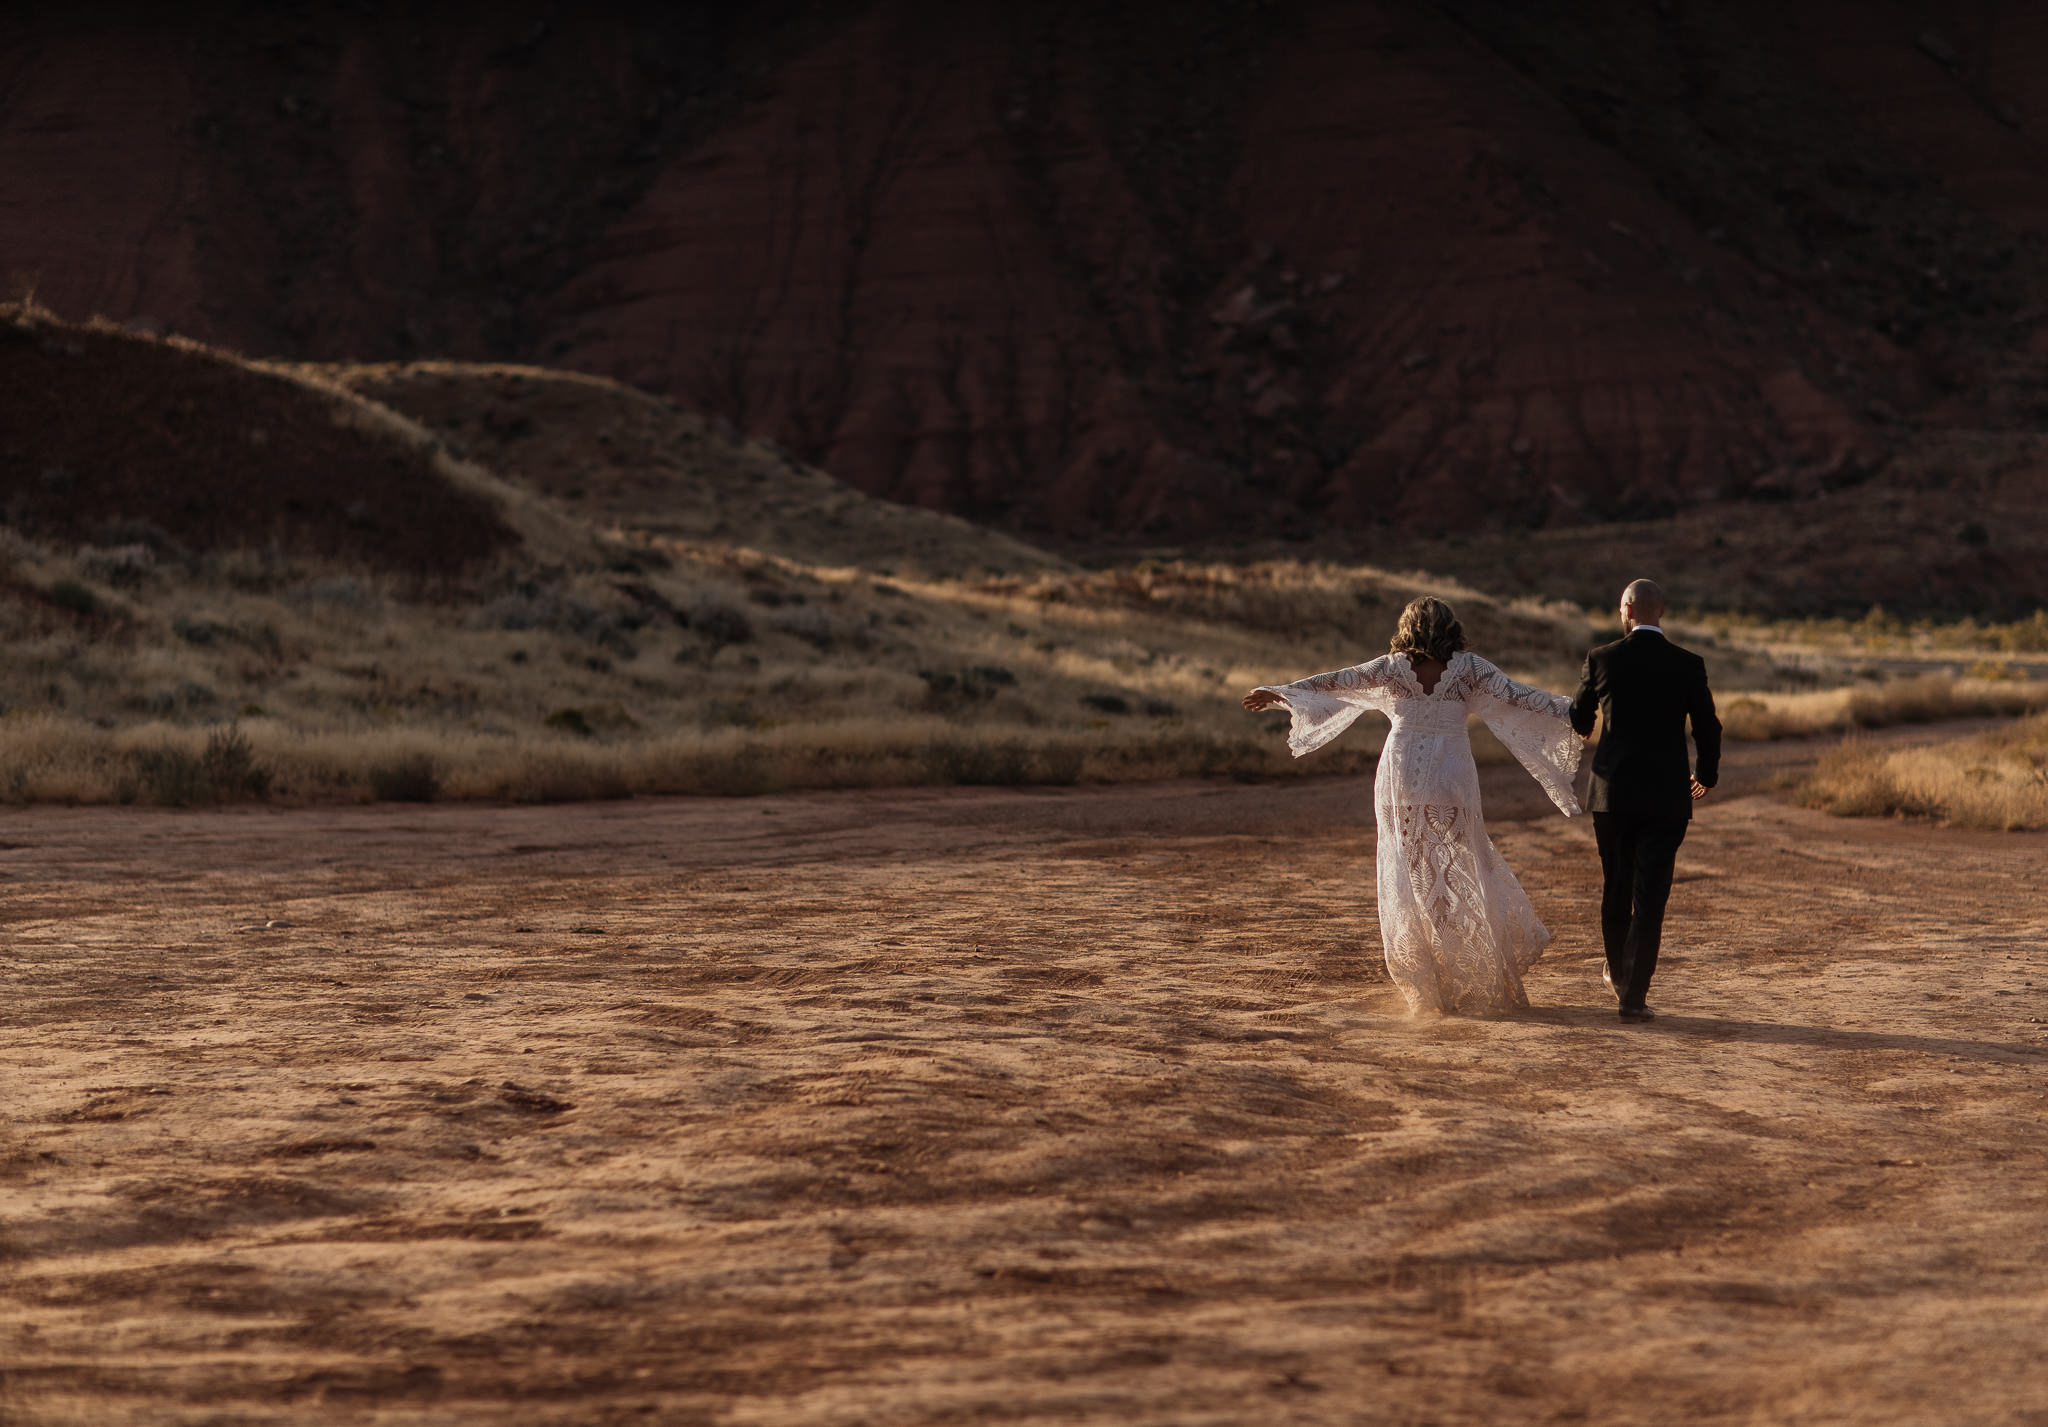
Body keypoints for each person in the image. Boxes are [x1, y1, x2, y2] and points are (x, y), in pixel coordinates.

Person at [1243, 597, 1582, 1016]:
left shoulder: (1391, 667)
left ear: (1407, 627)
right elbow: (1523, 698)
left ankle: (1430, 981)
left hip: (1400, 774)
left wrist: (1279, 693)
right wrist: (1577, 708)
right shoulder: (1471, 669)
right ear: (1450, 627)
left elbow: (1334, 682)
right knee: (1465, 864)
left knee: (1412, 871)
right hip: (1451, 775)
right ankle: (1471, 968)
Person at [1568, 578, 1721, 1023]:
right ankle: (1633, 998)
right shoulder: (1688, 663)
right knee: (1651, 897)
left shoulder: (1601, 659)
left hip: (1611, 795)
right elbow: (1708, 727)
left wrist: (1584, 726)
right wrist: (1705, 775)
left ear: (1628, 611)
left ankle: (1618, 974)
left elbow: (1580, 717)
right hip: (1667, 797)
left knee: (1616, 887)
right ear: (1661, 612)